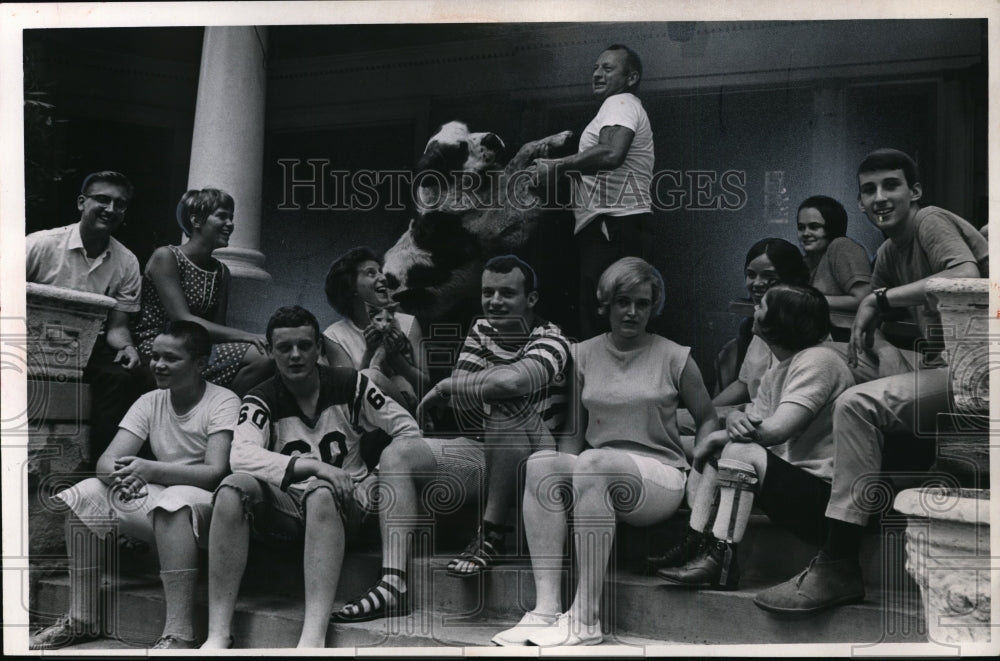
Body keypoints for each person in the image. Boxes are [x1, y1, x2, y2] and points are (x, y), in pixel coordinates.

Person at [754, 148, 988, 616]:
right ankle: (836, 492)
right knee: (837, 375)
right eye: (869, 189)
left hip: (979, 367)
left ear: (914, 192)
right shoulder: (887, 252)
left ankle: (839, 559)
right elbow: (876, 330)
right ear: (860, 201)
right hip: (945, 366)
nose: (880, 197)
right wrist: (873, 346)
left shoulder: (930, 222)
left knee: (859, 405)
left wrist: (877, 300)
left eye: (891, 185)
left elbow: (966, 274)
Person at [330, 255, 570, 623]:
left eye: (507, 293)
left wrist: (447, 384)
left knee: (504, 403)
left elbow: (512, 383)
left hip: (537, 459)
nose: (495, 302)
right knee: (399, 454)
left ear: (531, 299)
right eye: (488, 292)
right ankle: (393, 582)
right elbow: (464, 409)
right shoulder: (481, 332)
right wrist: (466, 390)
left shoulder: (552, 338)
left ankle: (491, 531)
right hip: (482, 447)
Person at [491, 257, 717, 646]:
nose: (632, 312)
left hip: (658, 477)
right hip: (597, 472)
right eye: (622, 301)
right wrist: (558, 474)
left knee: (593, 464)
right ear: (606, 304)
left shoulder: (676, 356)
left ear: (653, 306)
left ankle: (586, 618)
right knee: (542, 464)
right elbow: (573, 434)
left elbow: (708, 420)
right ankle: (546, 610)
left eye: (642, 303)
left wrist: (701, 469)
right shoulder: (584, 355)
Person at [199, 306, 421, 648]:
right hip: (287, 509)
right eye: (284, 348)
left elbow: (407, 430)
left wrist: (380, 476)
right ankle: (217, 634)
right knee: (231, 489)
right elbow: (240, 455)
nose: (295, 355)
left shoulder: (351, 384)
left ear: (319, 347)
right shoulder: (262, 397)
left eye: (304, 345)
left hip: (345, 504)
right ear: (271, 352)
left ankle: (312, 638)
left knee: (321, 491)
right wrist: (315, 466)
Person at [29, 321, 239, 650]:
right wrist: (122, 479)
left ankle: (179, 632)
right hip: (161, 496)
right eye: (154, 356)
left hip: (209, 510)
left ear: (199, 364)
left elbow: (215, 471)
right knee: (86, 494)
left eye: (170, 358)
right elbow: (106, 462)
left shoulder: (223, 401)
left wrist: (148, 470)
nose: (158, 364)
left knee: (173, 502)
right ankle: (81, 617)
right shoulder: (150, 400)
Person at [655, 285, 853, 590]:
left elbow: (776, 430)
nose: (754, 310)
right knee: (727, 450)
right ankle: (697, 544)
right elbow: (752, 423)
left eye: (761, 305)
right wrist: (732, 420)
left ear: (781, 319)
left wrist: (718, 436)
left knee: (737, 451)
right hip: (794, 485)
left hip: (826, 501)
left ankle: (720, 559)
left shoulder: (819, 361)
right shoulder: (779, 368)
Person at [533, 44, 654, 340]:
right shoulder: (620, 107)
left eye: (608, 68)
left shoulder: (620, 103)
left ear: (631, 77)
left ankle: (606, 386)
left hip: (612, 225)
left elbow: (612, 153)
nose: (597, 74)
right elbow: (603, 164)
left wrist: (557, 165)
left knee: (606, 321)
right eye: (596, 68)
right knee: (610, 321)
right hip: (613, 226)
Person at [26, 171, 146, 460]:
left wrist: (127, 347)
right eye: (102, 200)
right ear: (82, 202)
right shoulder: (39, 245)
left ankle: (97, 466)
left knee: (121, 377)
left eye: (120, 204)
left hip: (87, 349)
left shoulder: (127, 262)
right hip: (28, 341)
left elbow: (117, 327)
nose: (111, 209)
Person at [132, 188, 273, 396]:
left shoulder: (221, 271)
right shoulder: (167, 257)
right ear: (196, 221)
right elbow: (181, 319)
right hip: (158, 348)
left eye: (231, 218)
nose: (230, 224)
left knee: (269, 356)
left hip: (196, 351)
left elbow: (219, 329)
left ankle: (219, 410)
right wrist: (249, 336)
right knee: (262, 356)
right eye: (222, 216)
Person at [322, 247, 426, 410]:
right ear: (351, 286)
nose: (383, 278)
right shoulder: (334, 336)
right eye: (371, 273)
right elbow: (348, 396)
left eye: (380, 271)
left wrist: (396, 358)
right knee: (370, 377)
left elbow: (425, 386)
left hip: (409, 414)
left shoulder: (408, 323)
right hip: (364, 424)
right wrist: (369, 352)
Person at [796, 195, 873, 314]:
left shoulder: (842, 246)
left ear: (831, 227)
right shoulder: (807, 261)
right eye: (801, 227)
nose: (805, 233)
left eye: (814, 227)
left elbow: (864, 299)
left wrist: (805, 301)